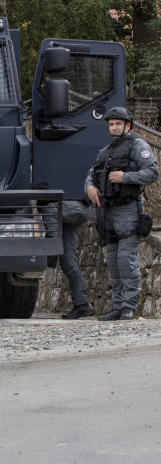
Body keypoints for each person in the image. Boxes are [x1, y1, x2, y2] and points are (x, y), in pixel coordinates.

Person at [84, 106, 159, 321]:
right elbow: (91, 174)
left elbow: (152, 172)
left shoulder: (137, 146)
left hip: (128, 209)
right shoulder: (105, 151)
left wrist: (126, 177)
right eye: (111, 124)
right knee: (114, 262)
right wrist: (89, 187)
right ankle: (118, 306)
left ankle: (129, 307)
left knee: (126, 261)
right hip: (107, 211)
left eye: (118, 124)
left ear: (127, 125)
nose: (114, 127)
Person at [59, 200, 95, 319]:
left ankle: (82, 304)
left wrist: (51, 254)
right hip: (76, 209)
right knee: (68, 260)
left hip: (69, 208)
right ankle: (81, 304)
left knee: (50, 209)